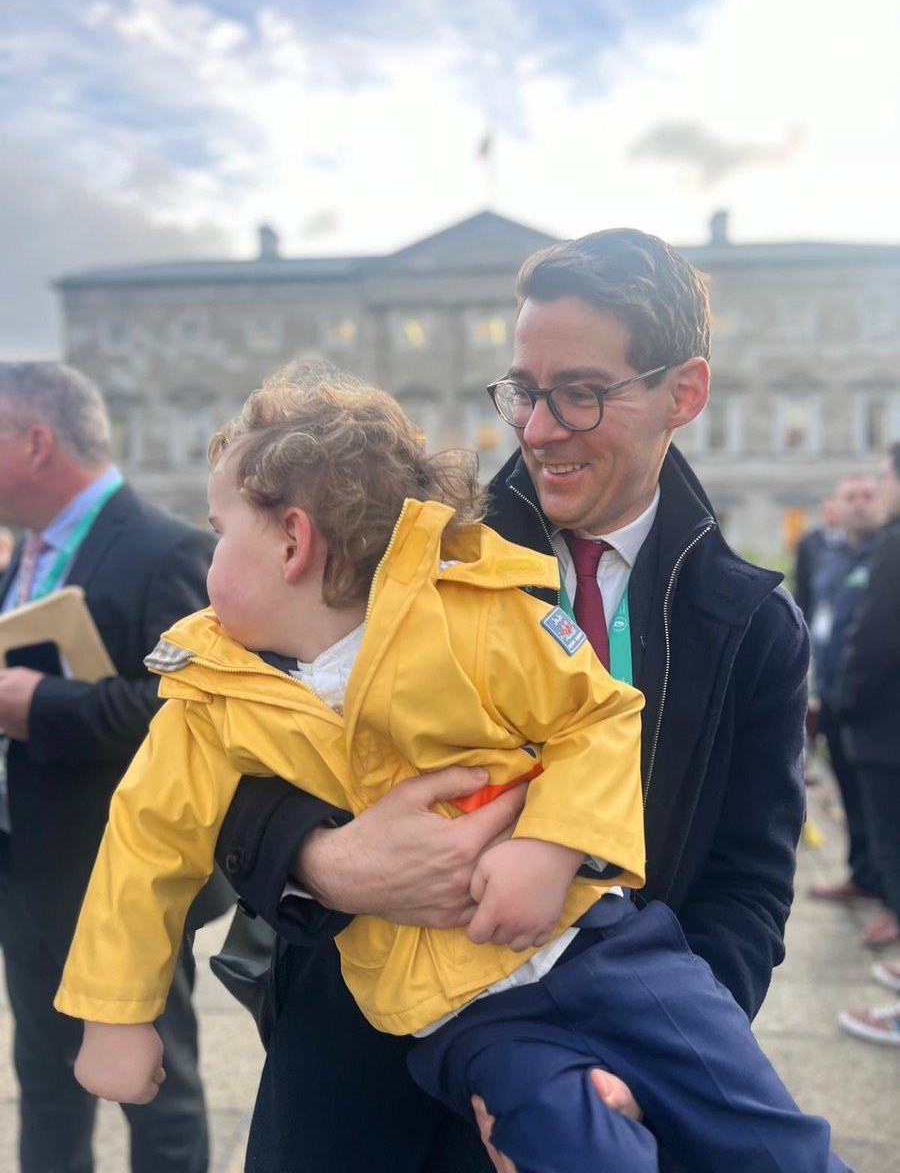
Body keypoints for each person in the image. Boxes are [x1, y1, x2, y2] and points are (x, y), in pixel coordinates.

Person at [57, 371, 846, 1173]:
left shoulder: (475, 605)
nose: (535, 426)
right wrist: (115, 1016)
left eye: (218, 530)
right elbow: (147, 842)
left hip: (611, 952)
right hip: (457, 1017)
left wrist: (550, 846)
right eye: (525, 392)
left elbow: (599, 714)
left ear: (293, 540)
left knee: (770, 1141)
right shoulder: (207, 687)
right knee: (573, 1147)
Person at [214, 229, 811, 1173]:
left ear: (683, 393)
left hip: (589, 1096)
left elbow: (746, 891)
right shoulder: (397, 550)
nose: (535, 430)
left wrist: (640, 1069)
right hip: (362, 1077)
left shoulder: (752, 626)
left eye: (581, 392)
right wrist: (322, 859)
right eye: (525, 392)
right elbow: (212, 744)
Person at [0, 362, 230, 1173]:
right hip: (27, 871)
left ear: (36, 442)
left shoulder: (169, 548)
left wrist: (42, 706)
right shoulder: (22, 553)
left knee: (155, 1090)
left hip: (128, 873)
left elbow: (189, 710)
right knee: (45, 1081)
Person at [808, 475, 892, 943]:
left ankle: (890, 900)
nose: (859, 506)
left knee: (881, 805)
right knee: (849, 796)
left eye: (868, 496)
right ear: (835, 506)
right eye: (851, 497)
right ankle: (862, 874)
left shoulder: (885, 554)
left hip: (871, 701)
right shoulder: (831, 555)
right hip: (834, 693)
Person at [836, 442, 900, 1043]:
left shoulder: (893, 547)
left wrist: (843, 704)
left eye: (883, 479)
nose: (879, 492)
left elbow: (876, 638)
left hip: (885, 731)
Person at [793, 494, 845, 626]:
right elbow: (801, 580)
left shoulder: (850, 540)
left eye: (835, 511)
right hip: (815, 605)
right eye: (829, 511)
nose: (832, 515)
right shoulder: (808, 542)